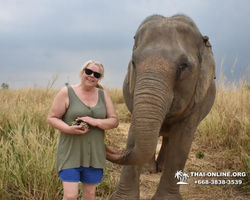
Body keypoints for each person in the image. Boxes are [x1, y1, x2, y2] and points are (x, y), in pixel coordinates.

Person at [47, 60, 119, 200]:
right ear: (82, 72)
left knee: (90, 195)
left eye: (96, 74)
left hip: (94, 155)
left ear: (99, 78)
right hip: (70, 153)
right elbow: (52, 118)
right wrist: (68, 129)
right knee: (70, 196)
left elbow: (114, 121)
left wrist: (96, 122)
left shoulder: (103, 95)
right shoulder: (66, 92)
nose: (91, 76)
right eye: (88, 71)